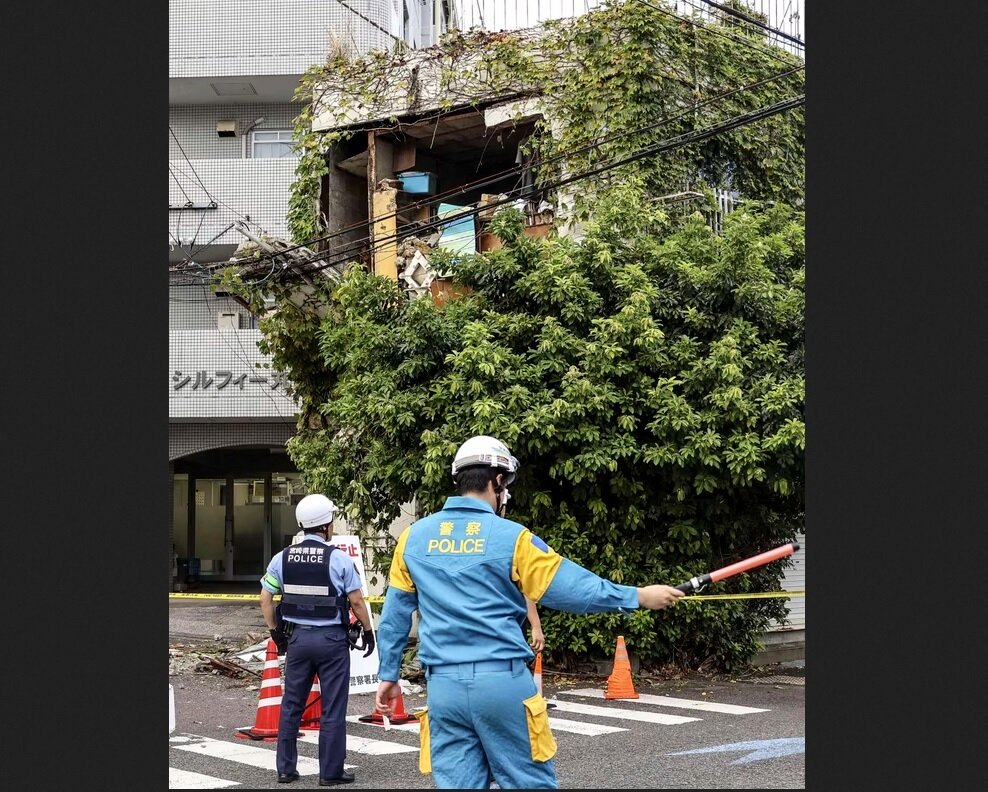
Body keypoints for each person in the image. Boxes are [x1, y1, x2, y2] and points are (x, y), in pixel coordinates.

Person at [373, 435, 685, 789]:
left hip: (443, 689)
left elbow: (396, 615)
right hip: (502, 684)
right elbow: (572, 588)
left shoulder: (413, 538)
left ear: (459, 480)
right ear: (499, 481)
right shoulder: (513, 538)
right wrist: (637, 596)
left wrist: (388, 675)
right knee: (527, 782)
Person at [259, 493, 375, 786]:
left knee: (291, 705)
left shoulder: (282, 558)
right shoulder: (339, 559)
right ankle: (330, 772)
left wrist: (276, 632)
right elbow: (357, 602)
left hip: (298, 640)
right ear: (325, 526)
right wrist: (369, 631)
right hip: (332, 641)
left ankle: (286, 769)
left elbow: (265, 598)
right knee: (333, 706)